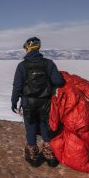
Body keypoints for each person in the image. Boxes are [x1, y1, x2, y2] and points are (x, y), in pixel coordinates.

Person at [11, 37, 64, 167]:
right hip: (45, 102)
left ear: (27, 48)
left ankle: (33, 157)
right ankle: (50, 156)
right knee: (45, 125)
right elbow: (58, 81)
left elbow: (17, 86)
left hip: (28, 102)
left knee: (30, 126)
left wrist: (14, 101)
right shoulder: (48, 63)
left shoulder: (22, 66)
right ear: (38, 48)